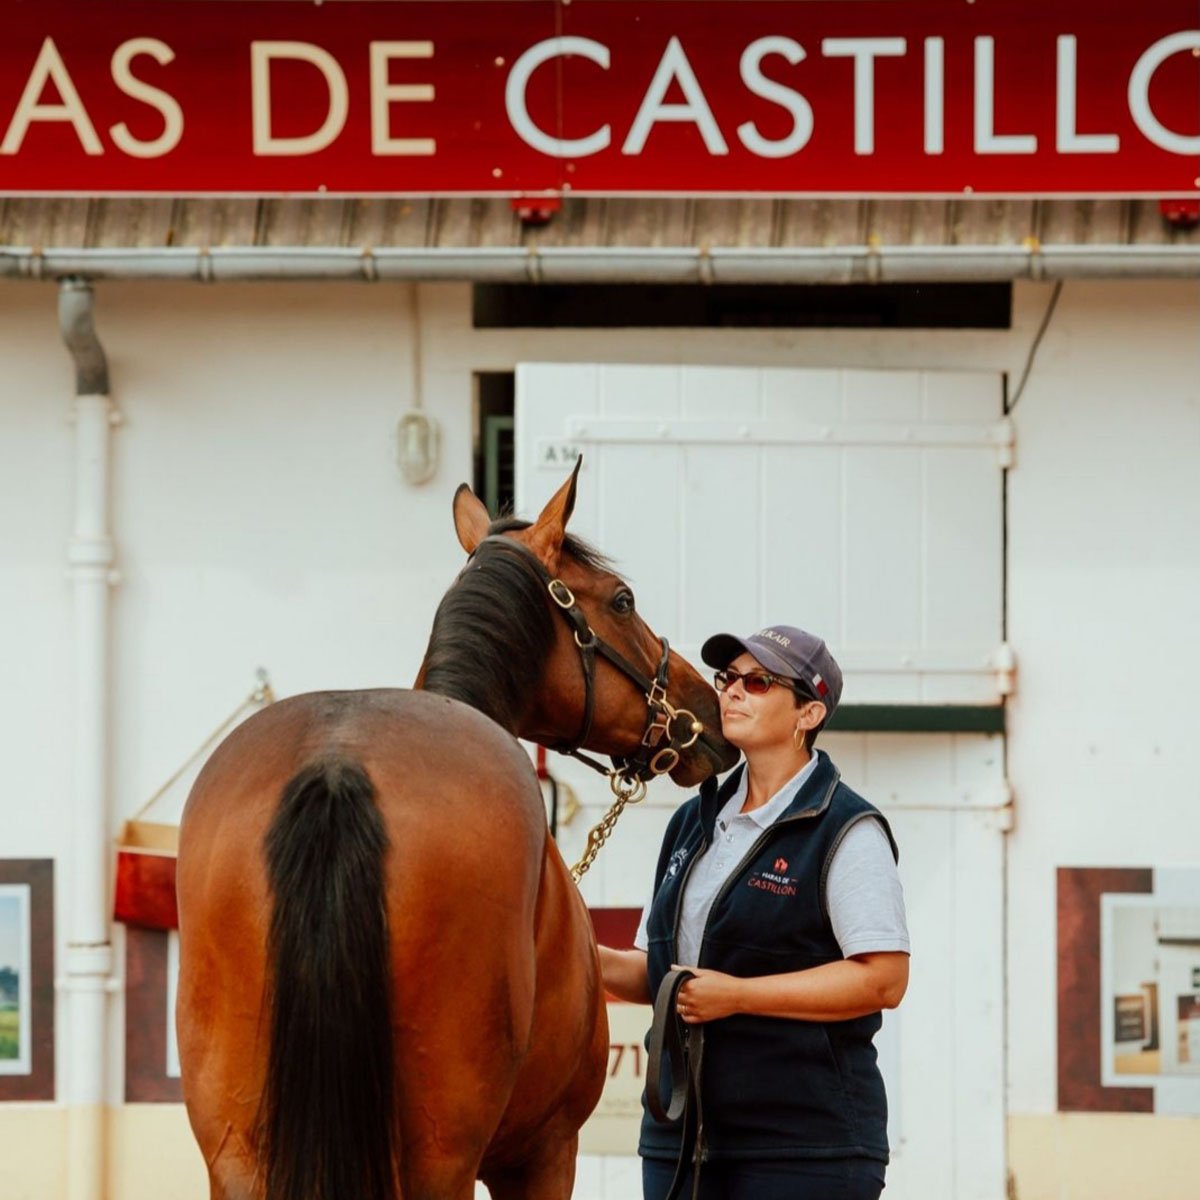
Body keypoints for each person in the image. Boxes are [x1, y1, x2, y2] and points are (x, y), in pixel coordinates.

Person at [599, 625, 910, 1200]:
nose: (732, 691)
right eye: (727, 678)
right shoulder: (690, 823)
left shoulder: (846, 829)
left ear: (808, 714)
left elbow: (884, 979)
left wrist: (739, 996)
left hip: (803, 1149)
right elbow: (658, 973)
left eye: (758, 681)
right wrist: (577, 955)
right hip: (678, 1142)